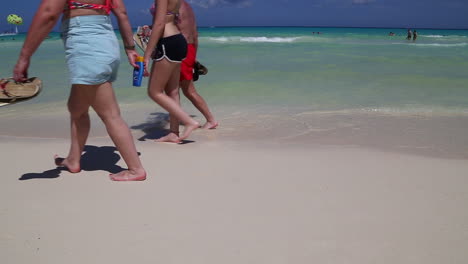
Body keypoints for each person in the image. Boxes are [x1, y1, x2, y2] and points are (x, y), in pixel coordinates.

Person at [13, 0, 147, 181]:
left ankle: (135, 169)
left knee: (110, 114)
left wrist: (24, 57)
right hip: (105, 41)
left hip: (87, 46)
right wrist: (130, 49)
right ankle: (73, 160)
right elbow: (121, 12)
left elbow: (49, 13)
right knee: (76, 107)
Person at [155, 0, 218, 143]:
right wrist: (192, 56)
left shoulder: (170, 5)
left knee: (174, 90)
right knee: (185, 90)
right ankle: (210, 120)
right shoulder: (187, 7)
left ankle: (174, 132)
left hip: (177, 48)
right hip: (188, 48)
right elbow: (194, 34)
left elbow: (164, 27)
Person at [143, 0, 200, 143]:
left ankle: (188, 122)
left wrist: (147, 55)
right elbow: (168, 18)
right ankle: (174, 133)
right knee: (173, 91)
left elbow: (160, 23)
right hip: (178, 41)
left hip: (167, 42)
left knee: (154, 92)